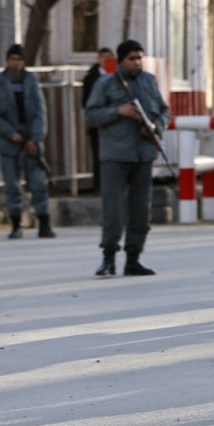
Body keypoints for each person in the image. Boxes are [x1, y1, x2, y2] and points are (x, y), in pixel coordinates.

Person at [85, 39, 170, 277]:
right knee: (114, 211)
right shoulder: (106, 84)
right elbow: (91, 116)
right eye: (132, 58)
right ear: (121, 61)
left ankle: (134, 258)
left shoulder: (148, 81)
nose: (137, 62)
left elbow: (164, 111)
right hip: (115, 155)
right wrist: (117, 111)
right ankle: (108, 257)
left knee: (141, 211)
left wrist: (155, 127)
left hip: (143, 154)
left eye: (139, 58)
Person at [0, 44, 56, 239]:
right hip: (9, 141)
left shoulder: (31, 81)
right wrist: (11, 134)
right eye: (13, 59)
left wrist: (35, 137)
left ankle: (44, 222)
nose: (16, 63)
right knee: (12, 185)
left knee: (38, 183)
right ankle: (16, 222)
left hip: (31, 140)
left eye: (19, 59)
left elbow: (40, 112)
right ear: (7, 60)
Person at [81, 47, 115, 193]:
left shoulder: (117, 75)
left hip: (115, 120)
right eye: (103, 57)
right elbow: (85, 100)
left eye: (109, 57)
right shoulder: (91, 77)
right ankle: (99, 186)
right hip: (98, 120)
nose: (106, 60)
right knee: (98, 154)